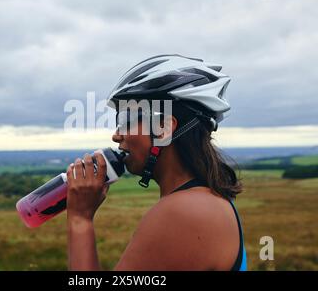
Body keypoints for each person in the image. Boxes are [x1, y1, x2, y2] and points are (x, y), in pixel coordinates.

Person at [66, 54, 247, 271]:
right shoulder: (208, 201)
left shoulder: (184, 213)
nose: (116, 135)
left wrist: (80, 219)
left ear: (163, 128)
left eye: (126, 120)